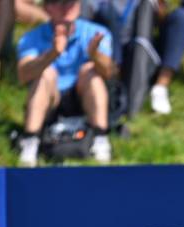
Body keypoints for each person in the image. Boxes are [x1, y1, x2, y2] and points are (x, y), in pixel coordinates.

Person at [16, 0, 115, 166]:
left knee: (91, 71)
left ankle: (100, 138)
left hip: (82, 100)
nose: (66, 7)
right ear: (46, 8)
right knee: (45, 74)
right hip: (50, 100)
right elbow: (23, 75)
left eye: (71, 2)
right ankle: (30, 142)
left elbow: (109, 73)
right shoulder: (31, 37)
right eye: (58, 2)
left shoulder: (97, 32)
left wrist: (95, 55)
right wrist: (52, 54)